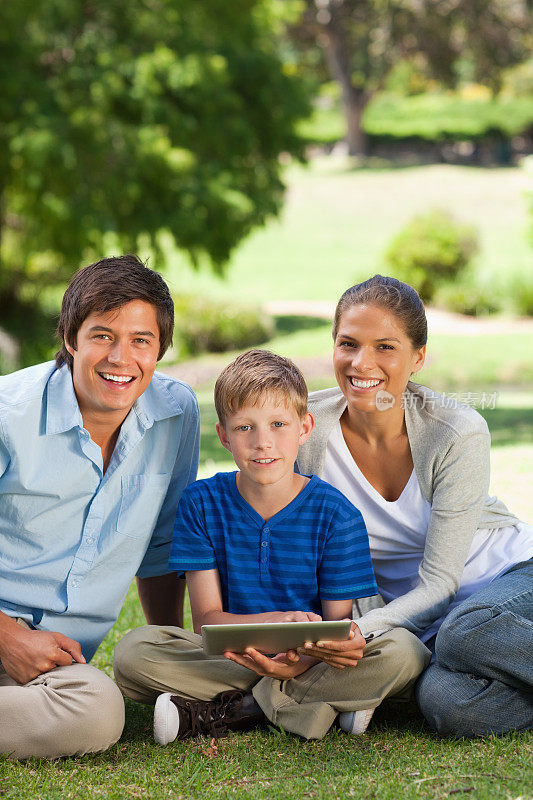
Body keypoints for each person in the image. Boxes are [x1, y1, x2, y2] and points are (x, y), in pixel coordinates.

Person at [114, 350, 430, 743]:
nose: (263, 442)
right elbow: (207, 622)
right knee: (133, 653)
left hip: (311, 660)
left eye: (278, 424)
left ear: (304, 426)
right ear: (225, 436)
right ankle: (325, 705)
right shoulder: (200, 502)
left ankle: (236, 711)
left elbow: (335, 629)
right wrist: (280, 622)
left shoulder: (337, 514)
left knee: (405, 651)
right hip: (233, 656)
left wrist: (297, 666)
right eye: (245, 427)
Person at [296, 274, 533, 737]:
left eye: (385, 347)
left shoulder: (456, 431)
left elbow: (442, 583)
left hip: (511, 580)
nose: (361, 362)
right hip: (429, 627)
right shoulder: (307, 428)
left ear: (417, 357)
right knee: (447, 705)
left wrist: (363, 632)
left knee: (466, 630)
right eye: (348, 343)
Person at [0, 255, 200, 759]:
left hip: (55, 671)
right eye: (103, 335)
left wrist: (166, 656)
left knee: (97, 709)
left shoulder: (176, 415)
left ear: (160, 349)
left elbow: (161, 548)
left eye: (141, 341)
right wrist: (9, 638)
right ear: (71, 338)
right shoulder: (9, 416)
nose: (121, 358)